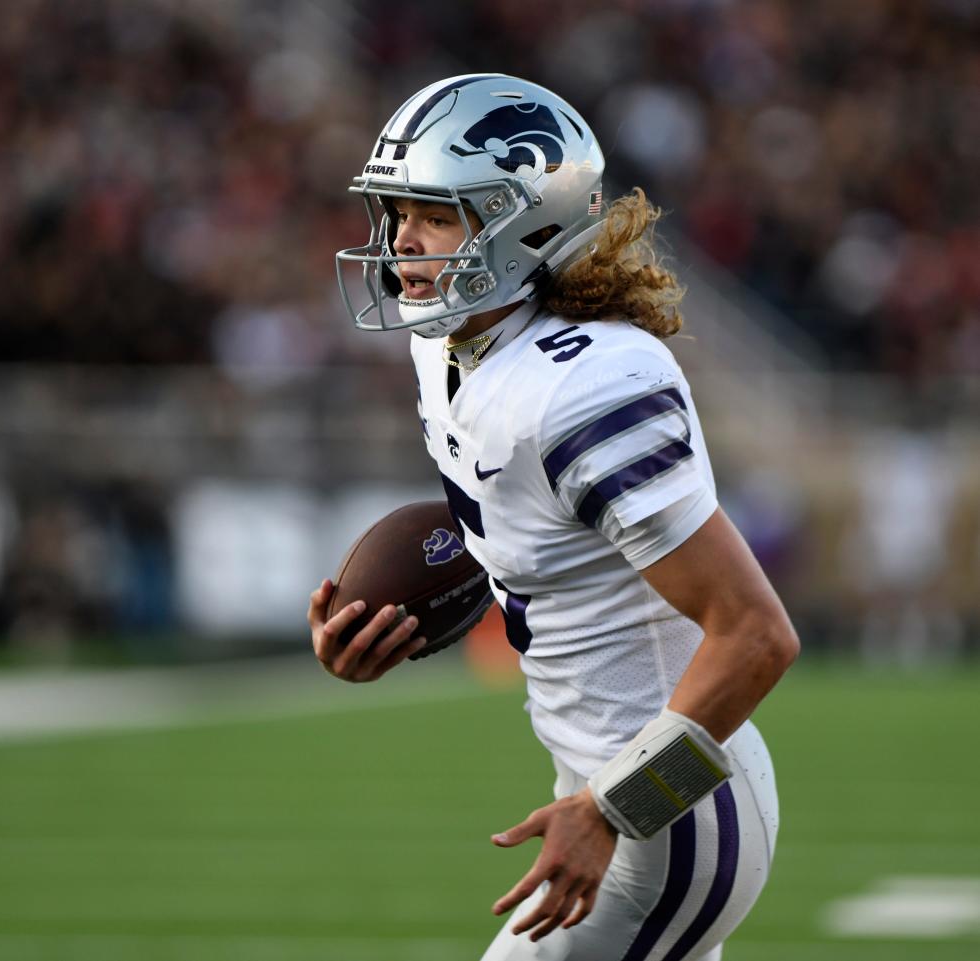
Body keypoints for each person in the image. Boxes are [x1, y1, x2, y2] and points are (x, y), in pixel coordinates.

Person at [309, 74, 799, 960]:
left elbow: (758, 636)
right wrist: (391, 616)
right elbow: (529, 529)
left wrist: (616, 807)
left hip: (663, 808)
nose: (401, 244)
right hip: (596, 780)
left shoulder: (590, 384)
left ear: (523, 221)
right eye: (395, 213)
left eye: (435, 216)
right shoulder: (449, 343)